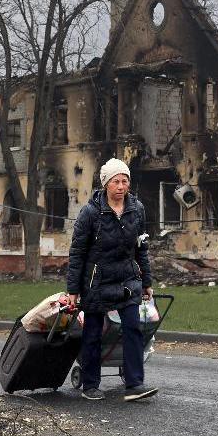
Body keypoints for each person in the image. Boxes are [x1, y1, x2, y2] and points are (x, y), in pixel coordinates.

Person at [66, 158, 157, 402]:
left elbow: (142, 248)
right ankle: (91, 384)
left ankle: (134, 383)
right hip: (97, 280)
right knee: (94, 332)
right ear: (106, 184)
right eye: (116, 181)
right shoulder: (90, 213)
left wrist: (146, 281)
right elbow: (77, 253)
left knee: (133, 328)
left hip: (127, 278)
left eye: (124, 181)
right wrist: (73, 290)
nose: (120, 186)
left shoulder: (137, 209)